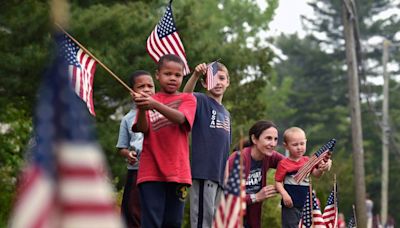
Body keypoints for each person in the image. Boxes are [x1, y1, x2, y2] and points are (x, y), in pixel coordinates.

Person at [132, 54, 197, 228]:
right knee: (151, 221)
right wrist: (142, 107)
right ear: (157, 75)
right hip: (150, 171)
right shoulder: (149, 100)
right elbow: (142, 128)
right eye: (168, 74)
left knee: (173, 222)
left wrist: (154, 105)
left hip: (179, 172)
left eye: (178, 75)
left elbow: (181, 119)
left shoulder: (187, 99)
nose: (173, 78)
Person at [183, 62, 231, 228]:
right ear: (204, 83)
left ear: (227, 82)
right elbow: (185, 95)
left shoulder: (226, 113)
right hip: (203, 171)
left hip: (218, 175)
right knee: (202, 217)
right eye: (212, 79)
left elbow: (225, 146)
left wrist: (226, 174)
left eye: (222, 78)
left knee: (213, 219)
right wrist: (196, 75)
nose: (218, 82)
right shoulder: (201, 100)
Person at [227, 120, 285, 228]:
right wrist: (256, 197)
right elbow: (228, 197)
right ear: (254, 139)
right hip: (231, 217)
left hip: (252, 218)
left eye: (275, 139)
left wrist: (318, 165)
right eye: (268, 138)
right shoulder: (238, 158)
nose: (272, 144)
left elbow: (291, 165)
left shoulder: (270, 156)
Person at [116, 70, 155, 228]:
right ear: (132, 91)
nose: (146, 89)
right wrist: (128, 153)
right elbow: (121, 147)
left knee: (153, 212)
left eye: (150, 86)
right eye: (141, 86)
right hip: (136, 170)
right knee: (133, 212)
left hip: (155, 171)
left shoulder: (160, 110)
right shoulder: (127, 119)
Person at [275, 127, 332, 228]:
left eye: (302, 144)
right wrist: (284, 194)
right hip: (290, 204)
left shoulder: (307, 161)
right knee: (291, 225)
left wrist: (321, 169)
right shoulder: (283, 164)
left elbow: (316, 175)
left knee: (307, 225)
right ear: (286, 146)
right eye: (295, 145)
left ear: (306, 142)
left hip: (306, 203)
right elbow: (278, 182)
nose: (299, 147)